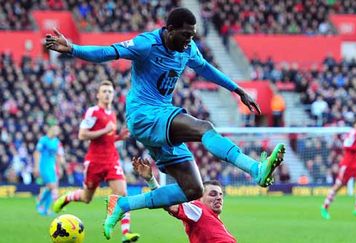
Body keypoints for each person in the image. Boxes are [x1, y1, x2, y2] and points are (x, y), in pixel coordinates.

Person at [45, 7, 285, 240]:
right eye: (186, 34)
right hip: (144, 115)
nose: (190, 40)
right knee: (204, 128)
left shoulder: (187, 49)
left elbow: (205, 68)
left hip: (161, 118)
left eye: (192, 35)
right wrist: (73, 49)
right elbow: (108, 52)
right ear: (169, 29)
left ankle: (123, 204)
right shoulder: (146, 44)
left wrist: (237, 89)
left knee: (192, 190)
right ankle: (255, 169)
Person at [52, 80, 140, 243]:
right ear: (98, 95)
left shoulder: (112, 113)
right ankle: (66, 198)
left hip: (112, 160)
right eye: (104, 91)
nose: (107, 94)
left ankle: (126, 233)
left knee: (123, 194)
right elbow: (82, 135)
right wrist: (105, 130)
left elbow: (106, 139)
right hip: (94, 162)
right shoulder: (93, 112)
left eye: (110, 91)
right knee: (86, 197)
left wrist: (118, 137)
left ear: (113, 95)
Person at [133, 157, 236, 243]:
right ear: (200, 197)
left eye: (220, 195)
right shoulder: (197, 210)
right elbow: (168, 203)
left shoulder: (211, 217)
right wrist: (151, 180)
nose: (219, 197)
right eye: (213, 194)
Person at [320, 117, 356, 220]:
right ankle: (324, 207)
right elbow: (346, 145)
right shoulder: (352, 133)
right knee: (338, 186)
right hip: (347, 165)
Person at [33, 125, 65, 216]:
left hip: (52, 166)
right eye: (55, 129)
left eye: (58, 130)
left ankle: (46, 209)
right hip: (43, 165)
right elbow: (36, 153)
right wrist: (36, 167)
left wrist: (60, 168)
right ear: (50, 130)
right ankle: (39, 203)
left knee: (52, 187)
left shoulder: (57, 142)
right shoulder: (43, 140)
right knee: (52, 186)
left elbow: (59, 156)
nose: (56, 131)